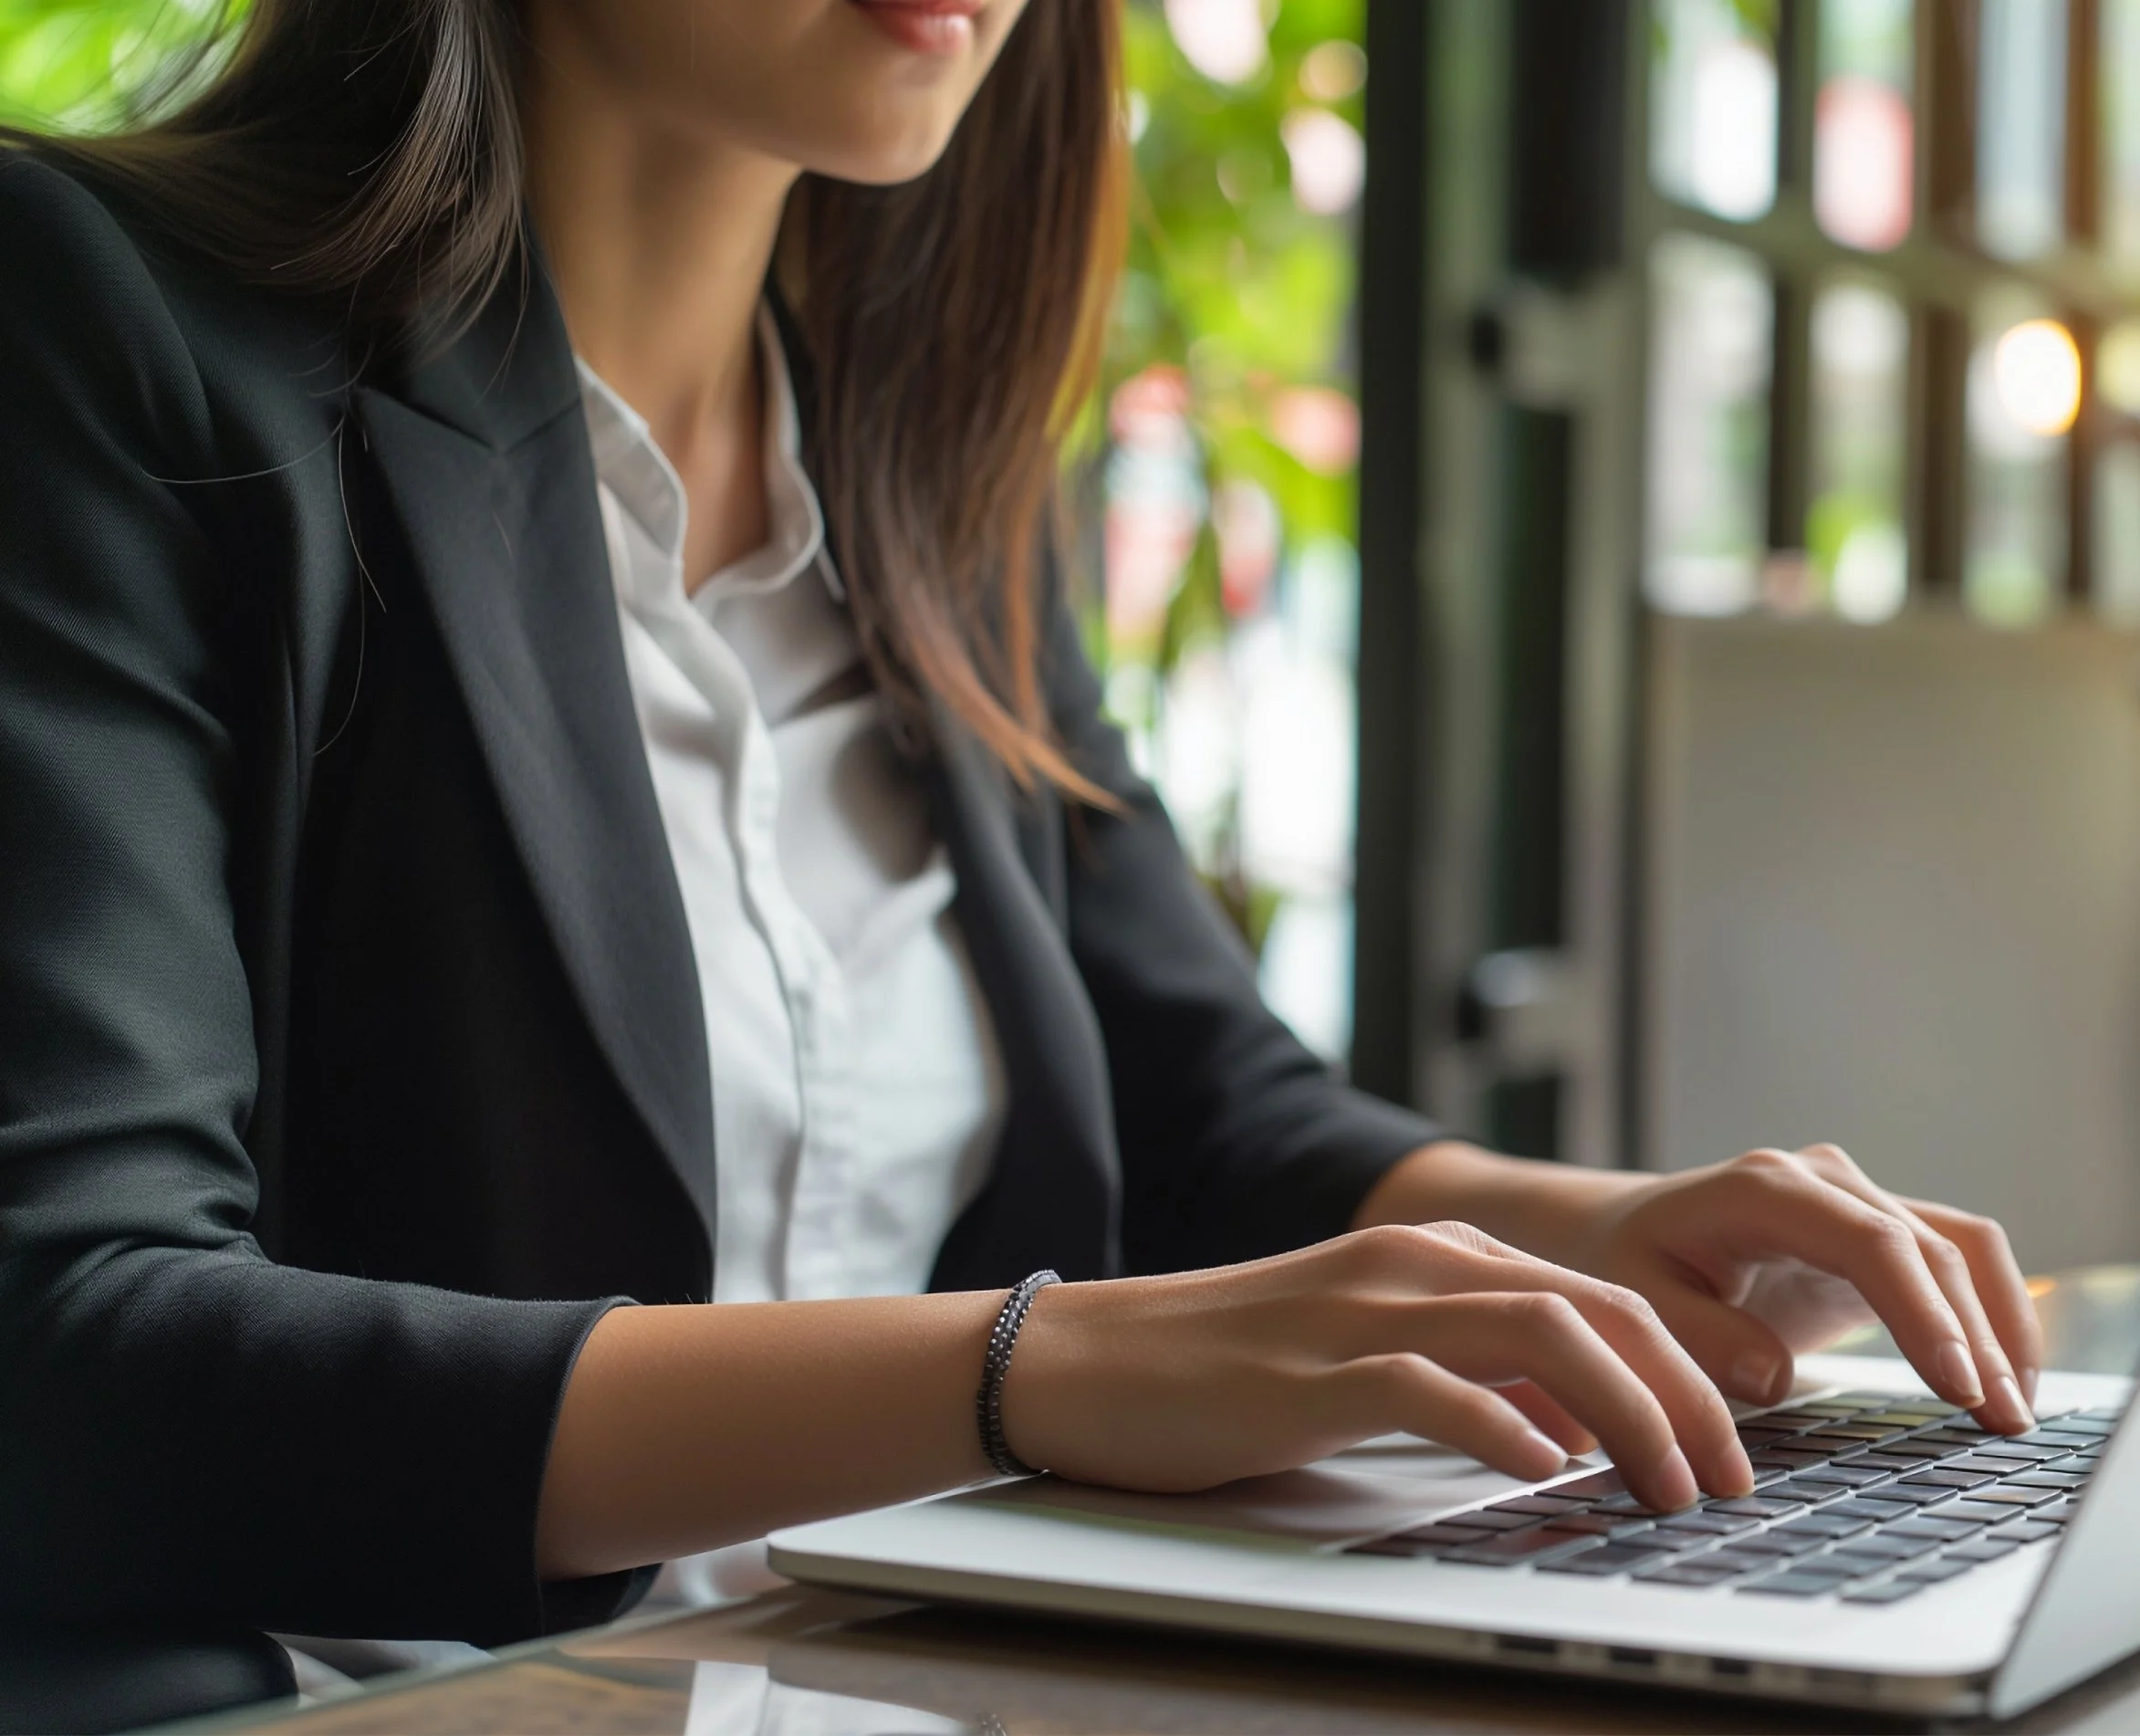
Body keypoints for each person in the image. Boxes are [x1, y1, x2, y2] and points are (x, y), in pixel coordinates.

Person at [0, 0, 2041, 1650]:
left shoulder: (918, 469)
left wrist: (1571, 1230)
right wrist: (1019, 1371)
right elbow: (71, 1350)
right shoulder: (105, 327)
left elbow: (1204, 1111)